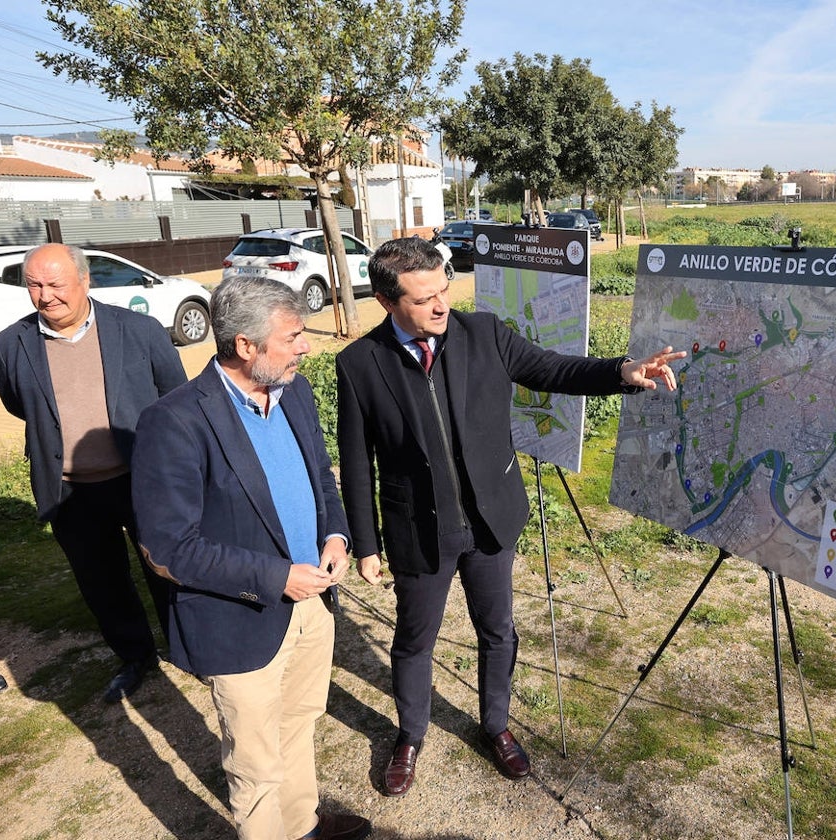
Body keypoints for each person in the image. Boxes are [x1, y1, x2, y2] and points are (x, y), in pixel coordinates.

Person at [335, 236, 685, 797]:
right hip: (419, 530)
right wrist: (366, 543)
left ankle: (495, 724)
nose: (441, 306)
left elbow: (554, 370)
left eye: (443, 291)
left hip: (490, 521)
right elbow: (356, 459)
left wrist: (623, 372)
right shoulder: (359, 364)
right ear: (385, 300)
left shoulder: (485, 334)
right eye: (424, 299)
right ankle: (410, 734)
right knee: (414, 639)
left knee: (497, 629)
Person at [130, 276, 370, 840]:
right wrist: (275, 577)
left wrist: (336, 536)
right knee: (256, 762)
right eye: (292, 336)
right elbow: (168, 548)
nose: (306, 345)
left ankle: (303, 824)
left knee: (299, 726)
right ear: (245, 345)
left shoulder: (296, 394)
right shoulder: (175, 421)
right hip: (240, 619)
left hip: (313, 605)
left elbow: (322, 482)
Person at [0, 243, 184, 704]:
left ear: (85, 280)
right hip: (72, 491)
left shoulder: (137, 330)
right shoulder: (11, 343)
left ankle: (187, 647)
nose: (45, 295)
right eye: (34, 285)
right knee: (102, 581)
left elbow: (174, 397)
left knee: (170, 569)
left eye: (56, 284)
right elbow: (18, 404)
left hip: (143, 479)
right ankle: (135, 656)